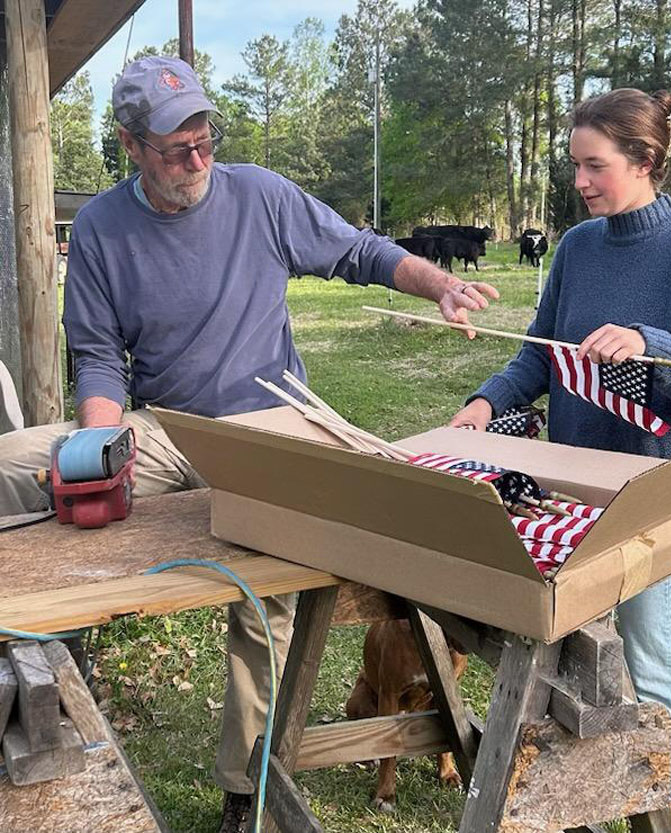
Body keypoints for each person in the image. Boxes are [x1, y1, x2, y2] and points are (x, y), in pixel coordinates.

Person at [0, 56, 498, 833]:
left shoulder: (260, 194)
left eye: (204, 138)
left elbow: (358, 251)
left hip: (275, 421)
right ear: (131, 147)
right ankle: (25, 664)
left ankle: (247, 783)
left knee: (265, 590)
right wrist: (99, 441)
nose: (197, 158)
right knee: (14, 465)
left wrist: (437, 284)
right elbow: (97, 354)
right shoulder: (99, 227)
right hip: (169, 425)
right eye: (175, 148)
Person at [450, 88, 671, 830]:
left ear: (645, 161)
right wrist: (484, 406)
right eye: (575, 165)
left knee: (650, 647)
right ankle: (575, 792)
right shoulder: (577, 249)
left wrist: (654, 342)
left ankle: (669, 796)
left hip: (654, 494)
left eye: (594, 165)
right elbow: (537, 357)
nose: (579, 181)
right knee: (568, 642)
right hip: (570, 488)